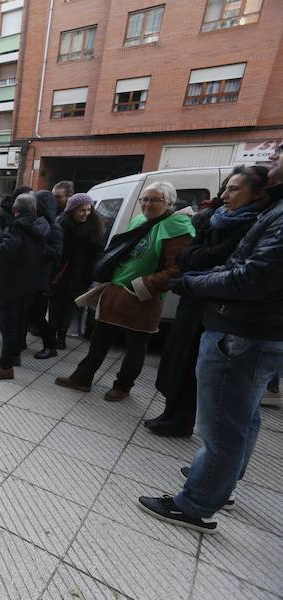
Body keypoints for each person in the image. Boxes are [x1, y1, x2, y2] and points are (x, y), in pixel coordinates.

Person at [138, 150, 283, 534]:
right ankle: (222, 483)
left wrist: (191, 281)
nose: (274, 158)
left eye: (280, 154)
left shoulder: (275, 217)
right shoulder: (267, 213)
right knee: (242, 419)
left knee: (223, 425)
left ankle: (196, 503)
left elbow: (248, 275)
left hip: (243, 331)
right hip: (252, 330)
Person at [146, 167, 266, 438]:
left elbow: (218, 258)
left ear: (256, 194)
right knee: (176, 359)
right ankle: (170, 411)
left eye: (233, 189)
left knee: (192, 365)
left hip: (214, 307)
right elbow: (188, 256)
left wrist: (198, 257)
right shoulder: (213, 218)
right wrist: (199, 257)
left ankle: (182, 420)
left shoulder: (251, 225)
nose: (224, 195)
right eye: (225, 188)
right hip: (192, 299)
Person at [56, 182, 194, 401]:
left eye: (154, 199)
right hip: (116, 291)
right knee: (99, 339)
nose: (147, 204)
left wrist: (141, 286)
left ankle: (123, 386)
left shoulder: (178, 227)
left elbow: (176, 269)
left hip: (143, 298)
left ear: (169, 202)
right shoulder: (140, 220)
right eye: (145, 199)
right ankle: (82, 378)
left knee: (136, 347)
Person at [0, 193, 48, 380]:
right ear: (35, 210)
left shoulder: (16, 227)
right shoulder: (41, 226)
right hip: (30, 282)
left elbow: (6, 251)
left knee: (8, 325)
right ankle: (11, 355)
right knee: (18, 322)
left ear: (14, 210)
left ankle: (5, 366)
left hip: (12, 283)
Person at [48, 193, 105, 350]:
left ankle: (61, 335)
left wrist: (91, 274)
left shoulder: (95, 228)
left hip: (80, 275)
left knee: (69, 307)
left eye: (88, 210)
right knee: (55, 306)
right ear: (72, 210)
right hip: (60, 273)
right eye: (81, 210)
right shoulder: (61, 224)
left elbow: (97, 253)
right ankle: (51, 334)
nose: (85, 214)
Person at [28, 190, 64, 359]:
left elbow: (57, 254)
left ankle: (50, 345)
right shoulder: (36, 222)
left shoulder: (54, 226)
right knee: (28, 312)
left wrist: (38, 244)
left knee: (38, 315)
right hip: (31, 274)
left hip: (42, 279)